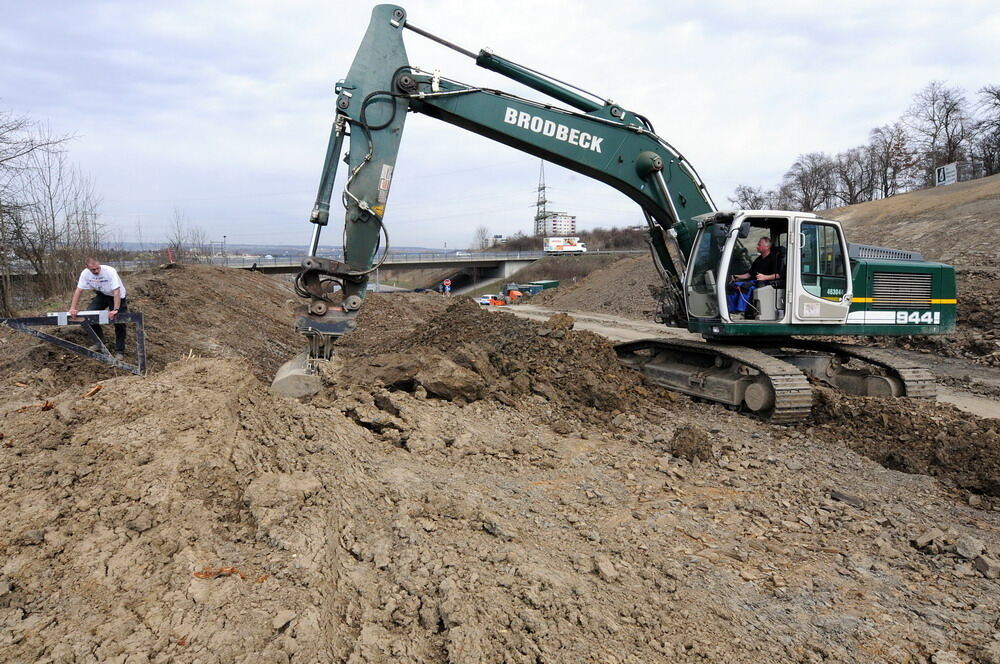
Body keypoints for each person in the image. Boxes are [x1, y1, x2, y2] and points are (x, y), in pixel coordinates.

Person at [68, 257, 129, 358]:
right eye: (93, 269)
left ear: (99, 264)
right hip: (102, 294)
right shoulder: (85, 274)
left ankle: (119, 351)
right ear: (87, 267)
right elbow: (78, 290)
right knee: (89, 316)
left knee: (119, 322)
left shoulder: (110, 271)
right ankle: (100, 342)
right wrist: (73, 307)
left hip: (117, 296)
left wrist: (115, 309)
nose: (96, 271)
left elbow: (116, 291)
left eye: (97, 268)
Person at [727, 238, 781, 314]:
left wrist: (765, 277)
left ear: (767, 247)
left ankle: (741, 311)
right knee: (732, 286)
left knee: (745, 287)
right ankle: (731, 310)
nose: (757, 246)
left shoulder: (775, 259)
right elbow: (749, 274)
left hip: (765, 283)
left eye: (759, 245)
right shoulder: (758, 259)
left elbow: (779, 275)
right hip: (753, 281)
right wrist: (737, 276)